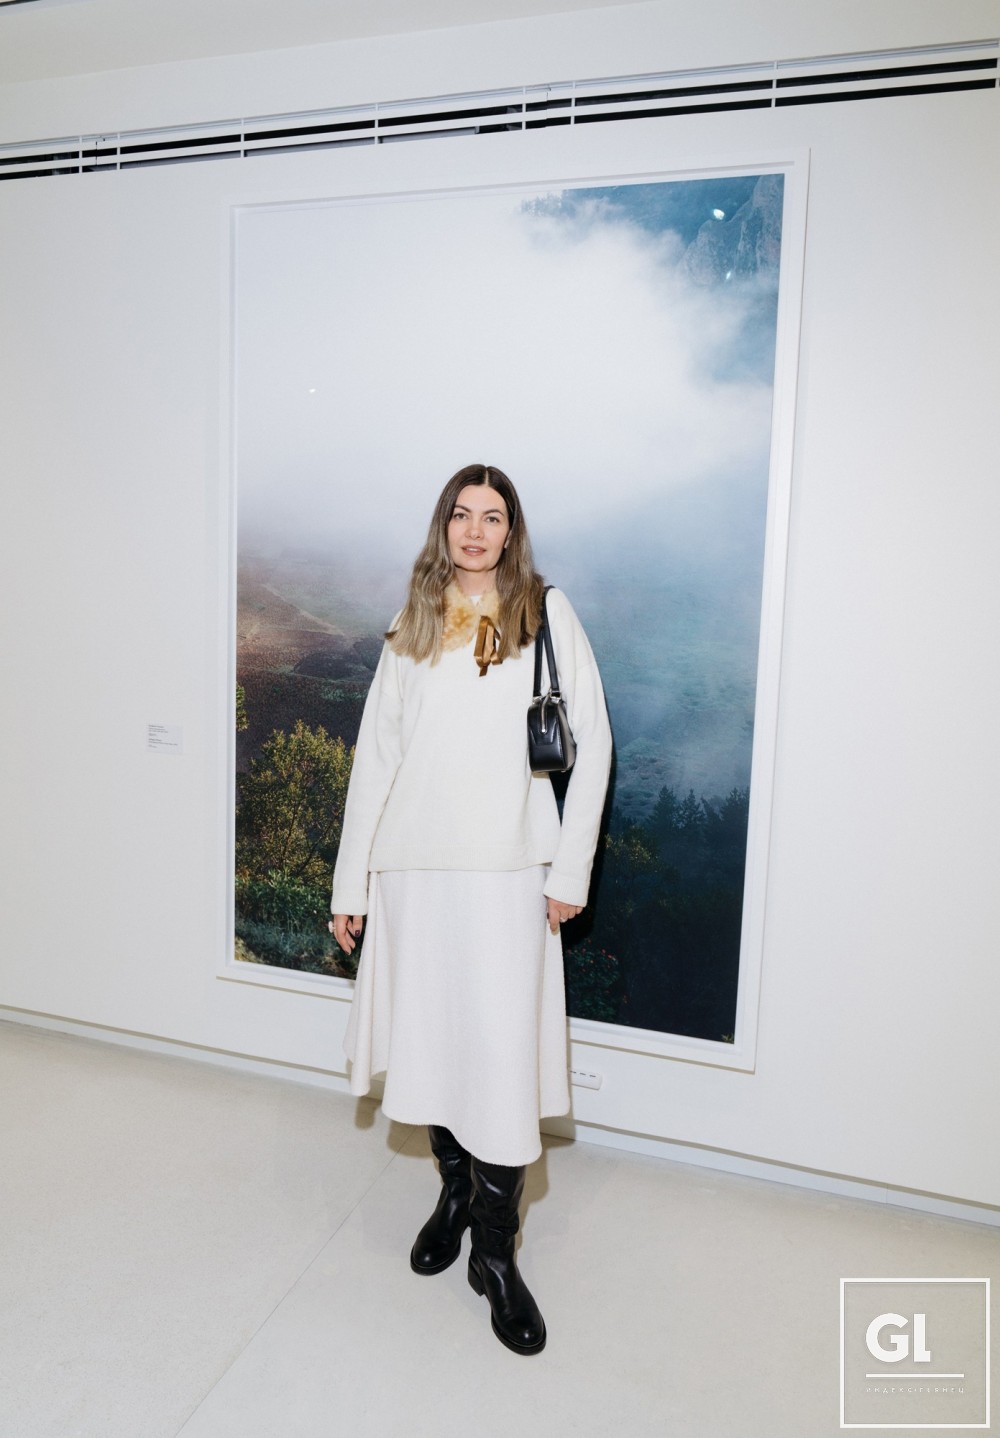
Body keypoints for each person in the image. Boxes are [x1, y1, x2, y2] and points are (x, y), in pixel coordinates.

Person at [329, 462, 612, 1355]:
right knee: (432, 1042)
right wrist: (351, 884)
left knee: (498, 1058)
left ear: (511, 531)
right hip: (412, 875)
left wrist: (569, 870)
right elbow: (375, 761)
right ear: (443, 525)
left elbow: (595, 745)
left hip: (508, 875)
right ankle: (454, 1190)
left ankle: (495, 1255)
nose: (476, 531)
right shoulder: (409, 623)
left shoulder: (544, 612)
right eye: (462, 514)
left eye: (493, 517)